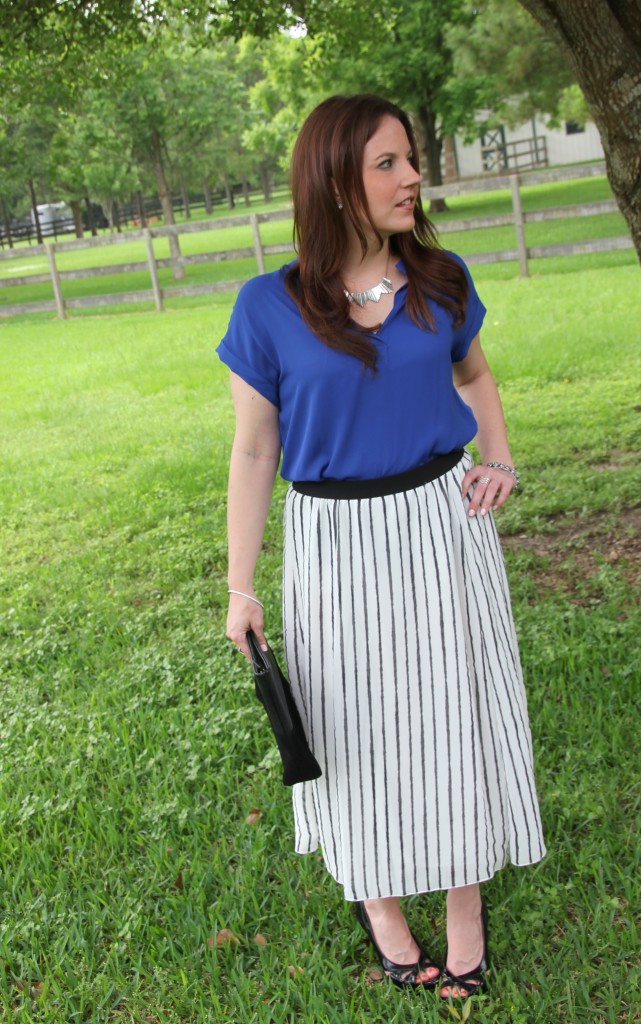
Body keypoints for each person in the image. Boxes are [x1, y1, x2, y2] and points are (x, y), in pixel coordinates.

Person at [217, 93, 546, 998]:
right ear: (334, 182)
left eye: (410, 160)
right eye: (388, 164)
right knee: (356, 731)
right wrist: (241, 587)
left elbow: (475, 376)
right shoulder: (269, 306)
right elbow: (253, 450)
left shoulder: (440, 280)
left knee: (454, 719)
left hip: (444, 526)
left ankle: (464, 910)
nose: (412, 178)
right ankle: (384, 910)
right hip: (333, 543)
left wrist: (501, 460)